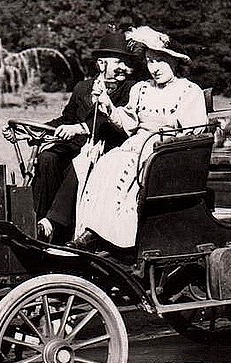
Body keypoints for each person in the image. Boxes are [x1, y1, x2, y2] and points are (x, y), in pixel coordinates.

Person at [68, 26, 208, 251]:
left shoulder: (189, 91)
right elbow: (128, 121)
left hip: (166, 151)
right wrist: (108, 106)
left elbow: (194, 132)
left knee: (125, 167)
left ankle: (114, 237)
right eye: (150, 61)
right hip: (135, 143)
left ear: (174, 61)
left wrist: (165, 143)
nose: (154, 68)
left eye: (160, 61)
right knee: (105, 164)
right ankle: (93, 231)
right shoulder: (141, 89)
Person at [3, 31, 139, 243]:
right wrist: (26, 131)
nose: (123, 67)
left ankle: (53, 224)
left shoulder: (132, 90)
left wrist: (80, 127)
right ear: (101, 64)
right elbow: (64, 119)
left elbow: (115, 122)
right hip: (75, 147)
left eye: (125, 62)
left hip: (108, 149)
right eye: (118, 62)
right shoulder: (82, 88)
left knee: (80, 164)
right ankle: (36, 224)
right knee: (48, 157)